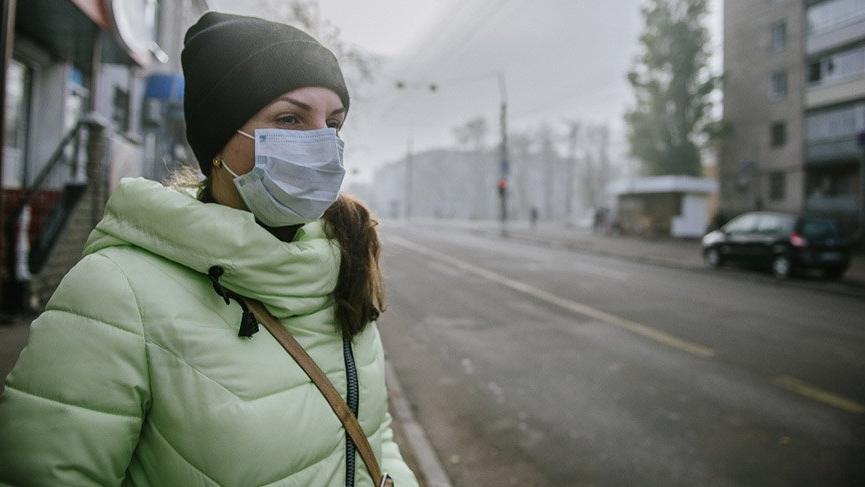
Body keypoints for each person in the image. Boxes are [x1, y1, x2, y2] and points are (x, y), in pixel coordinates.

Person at [0, 12, 418, 487]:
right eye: (290, 118)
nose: (321, 143)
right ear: (219, 141)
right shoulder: (115, 293)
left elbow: (374, 438)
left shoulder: (340, 268)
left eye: (333, 124)